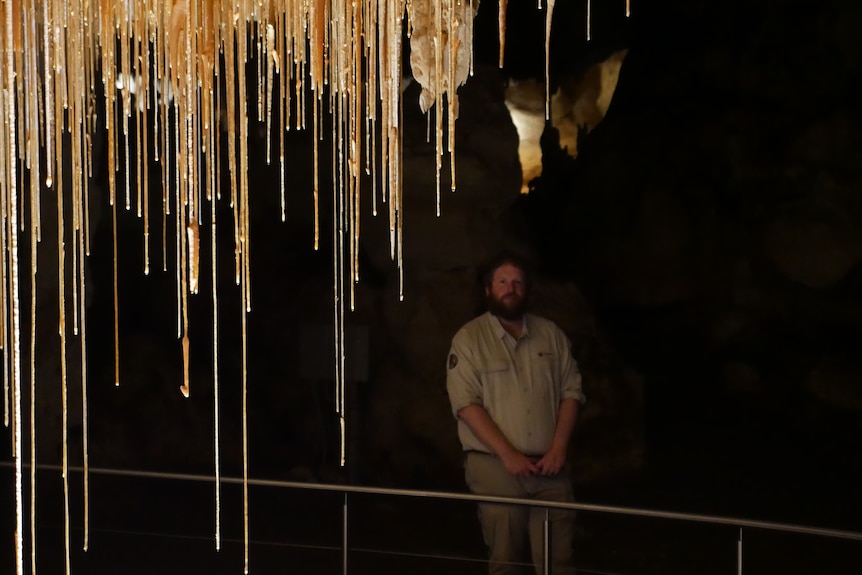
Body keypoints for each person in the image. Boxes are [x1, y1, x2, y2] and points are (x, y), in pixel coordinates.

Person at [446, 253, 585, 575]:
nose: (511, 288)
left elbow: (571, 392)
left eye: (518, 282)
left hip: (551, 467)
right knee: (506, 559)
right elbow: (466, 404)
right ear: (488, 290)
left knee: (559, 561)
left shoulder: (551, 334)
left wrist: (559, 448)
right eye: (503, 281)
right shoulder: (469, 339)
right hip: (496, 466)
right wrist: (508, 455)